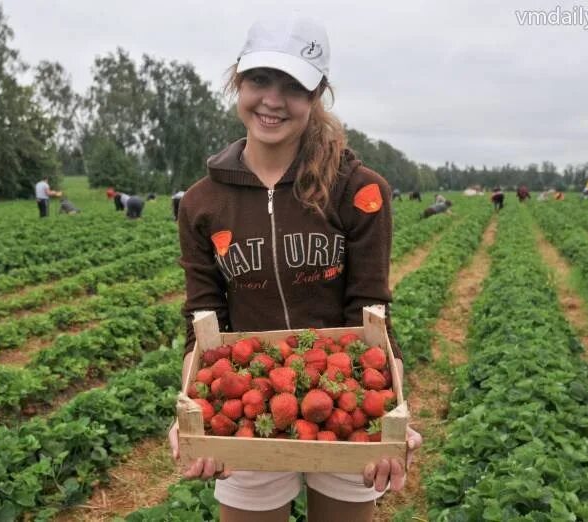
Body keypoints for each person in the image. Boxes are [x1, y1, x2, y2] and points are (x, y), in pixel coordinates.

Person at [169, 14, 421, 522]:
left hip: (346, 396)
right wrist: (194, 410)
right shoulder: (201, 203)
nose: (273, 100)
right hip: (251, 397)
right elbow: (203, 318)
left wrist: (393, 410)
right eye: (260, 80)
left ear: (317, 94)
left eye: (293, 87)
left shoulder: (358, 189)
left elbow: (370, 308)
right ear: (238, 81)